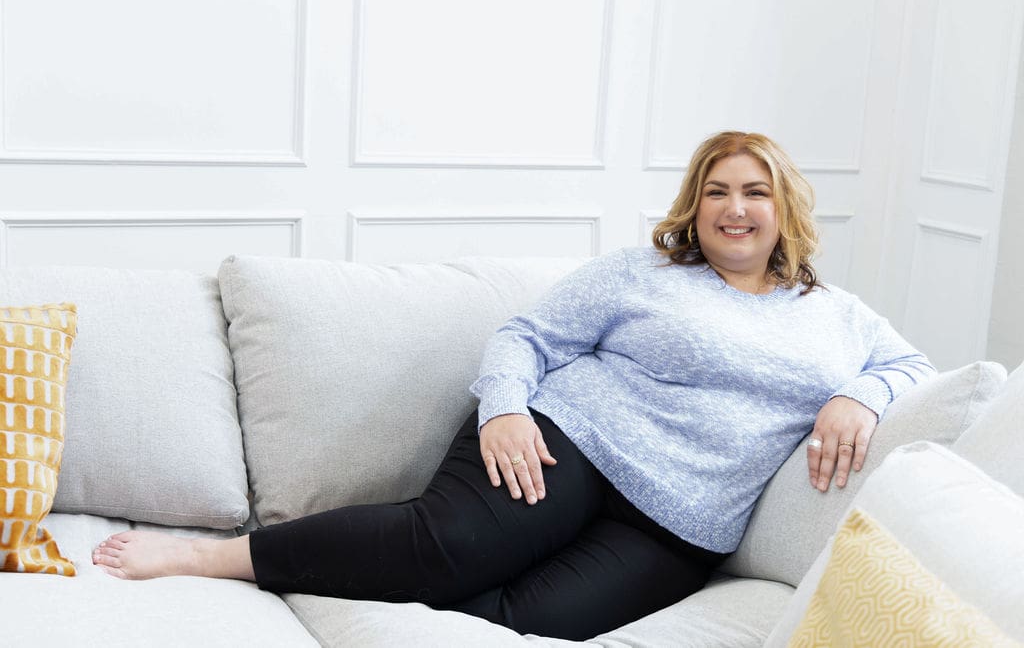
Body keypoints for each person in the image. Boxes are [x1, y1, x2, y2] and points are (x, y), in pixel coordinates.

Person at [91, 131, 935, 640]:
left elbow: (914, 369)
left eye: (755, 191)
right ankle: (213, 556)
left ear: (785, 208)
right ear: (694, 205)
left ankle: (335, 572)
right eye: (716, 190)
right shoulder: (645, 273)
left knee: (518, 624)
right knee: (440, 547)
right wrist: (503, 412)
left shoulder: (840, 315)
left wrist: (855, 396)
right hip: (569, 440)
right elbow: (525, 337)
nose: (734, 207)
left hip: (679, 525)